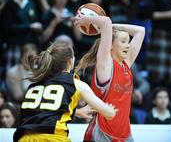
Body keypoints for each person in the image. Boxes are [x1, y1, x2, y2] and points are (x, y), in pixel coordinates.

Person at [13, 41, 118, 142]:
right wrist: (111, 109)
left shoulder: (34, 84)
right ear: (70, 61)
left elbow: (43, 111)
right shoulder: (74, 82)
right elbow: (109, 113)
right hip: (52, 138)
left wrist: (77, 112)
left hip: (23, 138)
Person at [75, 11, 145, 141]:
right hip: (102, 133)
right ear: (110, 45)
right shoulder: (105, 64)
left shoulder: (126, 64)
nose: (128, 45)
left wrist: (112, 28)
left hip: (125, 134)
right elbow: (106, 22)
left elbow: (140, 31)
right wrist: (87, 20)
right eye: (123, 41)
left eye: (128, 41)